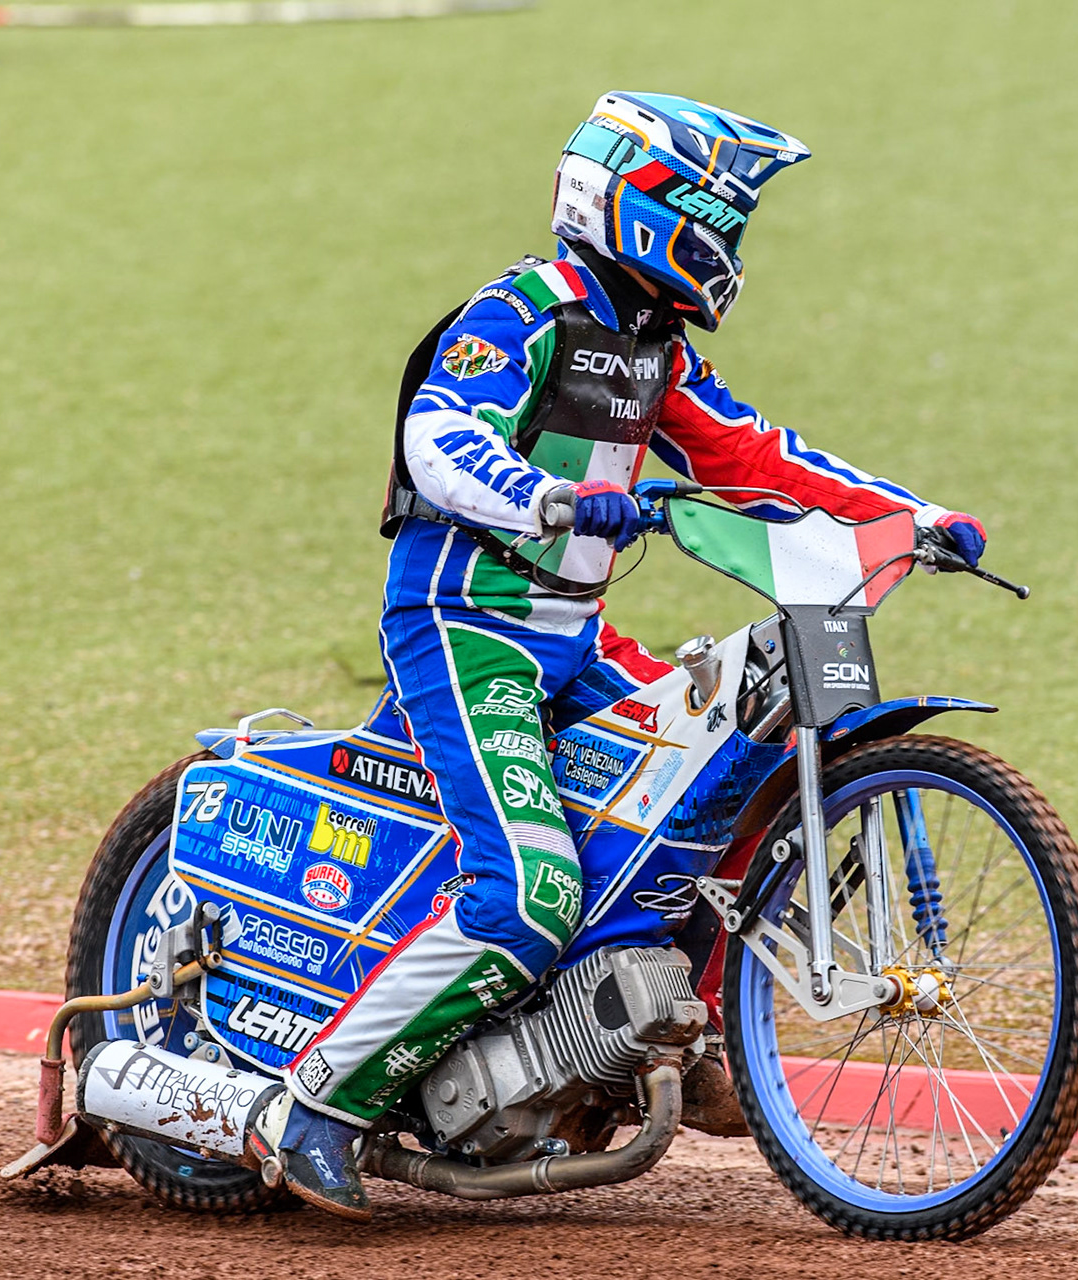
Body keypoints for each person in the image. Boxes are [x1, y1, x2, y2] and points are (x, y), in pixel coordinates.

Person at [249, 91, 989, 1220]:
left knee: (715, 773)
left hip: (572, 643)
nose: (729, 247)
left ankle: (674, 1026)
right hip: (464, 633)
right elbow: (438, 437)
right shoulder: (526, 306)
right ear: (640, 205)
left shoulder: (655, 347)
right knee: (526, 893)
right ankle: (314, 1105)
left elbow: (759, 459)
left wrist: (913, 517)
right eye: (717, 218)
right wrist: (548, 496)